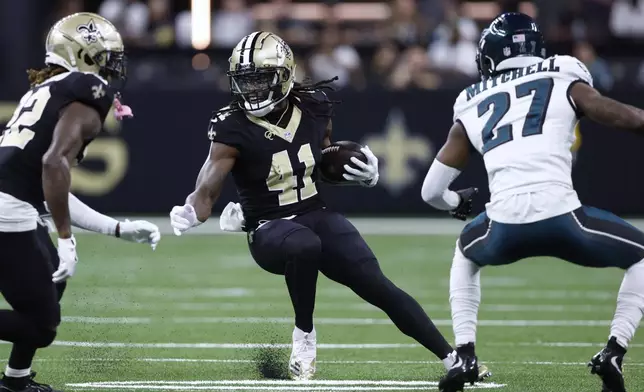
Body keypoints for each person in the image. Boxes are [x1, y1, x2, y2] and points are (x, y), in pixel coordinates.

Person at [170, 31, 480, 391]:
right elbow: (206, 188)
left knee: (379, 286)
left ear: (284, 75)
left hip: (314, 212)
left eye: (260, 79)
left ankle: (453, 359)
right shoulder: (231, 125)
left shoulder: (315, 106)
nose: (251, 90)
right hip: (268, 228)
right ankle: (304, 334)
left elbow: (324, 164)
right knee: (304, 244)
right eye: (245, 81)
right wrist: (192, 210)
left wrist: (364, 174)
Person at [421, 12, 644, 392]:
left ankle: (466, 355)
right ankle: (614, 351)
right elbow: (613, 113)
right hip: (566, 221)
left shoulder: (472, 100)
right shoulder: (563, 72)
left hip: (502, 228)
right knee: (641, 257)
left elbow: (430, 192)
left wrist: (455, 202)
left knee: (465, 252)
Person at [0, 12, 129, 391]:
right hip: (7, 210)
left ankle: (16, 381)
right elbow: (52, 162)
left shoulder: (42, 90)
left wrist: (115, 228)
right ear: (81, 55)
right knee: (41, 327)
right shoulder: (85, 88)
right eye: (104, 56)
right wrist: (68, 237)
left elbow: (49, 183)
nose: (111, 66)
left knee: (52, 275)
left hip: (11, 203)